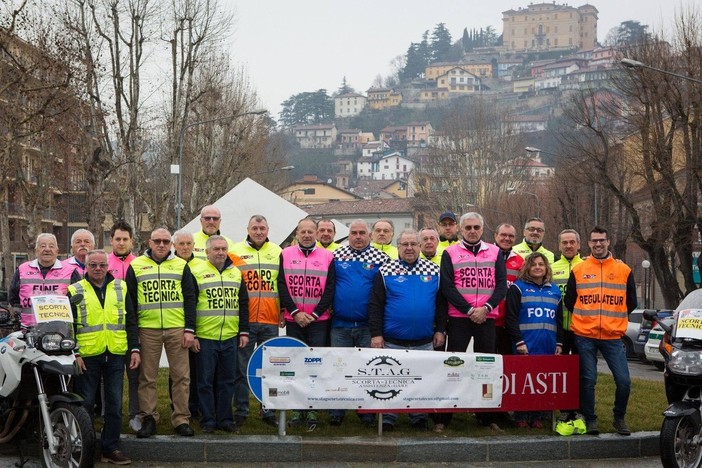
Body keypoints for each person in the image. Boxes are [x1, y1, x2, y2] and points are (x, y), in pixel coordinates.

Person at [434, 212, 507, 433]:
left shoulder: (494, 252)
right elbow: (447, 287)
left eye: (476, 227)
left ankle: (485, 417)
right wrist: (468, 310)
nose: (472, 231)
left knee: (486, 369)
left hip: (486, 318)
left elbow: (501, 286)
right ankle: (444, 418)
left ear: (482, 229)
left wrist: (485, 309)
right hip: (459, 319)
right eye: (468, 228)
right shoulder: (450, 252)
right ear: (461, 230)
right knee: (452, 368)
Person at [369, 229, 446, 431]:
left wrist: (441, 330)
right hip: (393, 340)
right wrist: (376, 334)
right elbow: (375, 305)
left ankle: (418, 416)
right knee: (389, 380)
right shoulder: (385, 271)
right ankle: (388, 417)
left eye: (413, 244)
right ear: (398, 247)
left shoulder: (435, 271)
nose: (409, 248)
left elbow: (441, 304)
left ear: (420, 246)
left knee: (420, 380)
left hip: (424, 341)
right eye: (405, 244)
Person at [68, 250, 140, 465]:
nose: (97, 268)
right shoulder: (75, 290)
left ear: (107, 266)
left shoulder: (121, 287)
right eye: (93, 265)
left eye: (101, 265)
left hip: (116, 353)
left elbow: (131, 320)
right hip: (87, 356)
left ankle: (110, 448)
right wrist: (76, 353)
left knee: (115, 404)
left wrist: (134, 349)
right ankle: (85, 447)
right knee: (86, 404)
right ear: (86, 267)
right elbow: (69, 325)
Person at [564, 226, 637, 436]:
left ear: (608, 242)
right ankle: (591, 419)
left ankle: (619, 418)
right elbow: (570, 301)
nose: (598, 244)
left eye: (601, 240)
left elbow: (631, 302)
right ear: (588, 243)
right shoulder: (578, 270)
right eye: (594, 241)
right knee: (588, 380)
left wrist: (614, 318)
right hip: (585, 335)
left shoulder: (624, 270)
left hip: (613, 337)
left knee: (624, 381)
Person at [125, 228, 197, 438]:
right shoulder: (136, 266)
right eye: (157, 241)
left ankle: (181, 419)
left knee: (181, 376)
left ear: (171, 244)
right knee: (147, 377)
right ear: (150, 242)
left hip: (177, 329)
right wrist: (135, 333)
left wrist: (189, 330)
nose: (162, 245)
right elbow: (130, 303)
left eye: (166, 241)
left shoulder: (181, 265)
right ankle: (149, 418)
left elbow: (190, 298)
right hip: (148, 329)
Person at [329, 219, 389, 427]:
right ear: (348, 235)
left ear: (370, 235)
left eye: (362, 232)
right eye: (354, 232)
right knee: (340, 368)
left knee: (367, 370)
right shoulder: (336, 256)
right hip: (340, 324)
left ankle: (367, 410)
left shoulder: (382, 258)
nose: (358, 236)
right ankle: (337, 409)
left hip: (367, 326)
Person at [278, 218, 335, 430]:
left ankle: (312, 408)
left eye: (311, 231)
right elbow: (281, 285)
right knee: (295, 365)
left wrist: (315, 314)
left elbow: (330, 289)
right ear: (298, 233)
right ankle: (296, 408)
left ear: (317, 234)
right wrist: (294, 311)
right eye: (303, 231)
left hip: (318, 321)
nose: (307, 235)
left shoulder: (328, 256)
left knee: (315, 366)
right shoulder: (285, 253)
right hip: (294, 320)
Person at [191, 236, 249, 433]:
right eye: (216, 249)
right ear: (207, 252)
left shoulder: (235, 273)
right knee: (205, 381)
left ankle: (225, 419)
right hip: (206, 336)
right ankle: (208, 420)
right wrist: (194, 334)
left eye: (224, 248)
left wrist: (243, 331)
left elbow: (243, 303)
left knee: (227, 381)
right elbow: (190, 304)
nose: (220, 252)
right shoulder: (196, 271)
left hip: (230, 337)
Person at [231, 215, 281, 427]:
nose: (259, 231)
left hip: (270, 320)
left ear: (268, 230)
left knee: (270, 369)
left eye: (262, 228)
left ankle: (268, 410)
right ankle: (241, 410)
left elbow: (283, 284)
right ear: (248, 229)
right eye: (255, 228)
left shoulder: (278, 252)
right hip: (245, 321)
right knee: (241, 368)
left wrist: (283, 311)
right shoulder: (234, 252)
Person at [505, 252, 564, 429]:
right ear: (527, 268)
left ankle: (538, 415)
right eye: (534, 264)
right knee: (524, 382)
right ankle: (521, 416)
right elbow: (511, 318)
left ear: (546, 268)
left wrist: (559, 343)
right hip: (525, 344)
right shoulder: (518, 288)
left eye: (541, 264)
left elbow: (559, 320)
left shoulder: (554, 290)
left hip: (548, 345)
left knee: (542, 382)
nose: (538, 267)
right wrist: (519, 342)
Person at [106, 221, 141, 433]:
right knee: (111, 375)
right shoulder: (102, 263)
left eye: (125, 239)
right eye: (117, 239)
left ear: (131, 241)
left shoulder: (139, 263)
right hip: (110, 328)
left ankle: (135, 414)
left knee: (136, 374)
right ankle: (109, 412)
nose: (121, 243)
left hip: (135, 325)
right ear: (111, 241)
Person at [9, 233, 81, 328]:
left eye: (51, 246)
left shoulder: (70, 271)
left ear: (57, 251)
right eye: (42, 246)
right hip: (27, 330)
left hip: (60, 330)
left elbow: (77, 301)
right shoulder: (22, 269)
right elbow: (13, 297)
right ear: (36, 251)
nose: (47, 249)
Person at [172, 229, 204, 422]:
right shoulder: (170, 265)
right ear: (174, 246)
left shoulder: (202, 264)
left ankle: (195, 406)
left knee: (197, 370)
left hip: (199, 323)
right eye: (181, 244)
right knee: (178, 371)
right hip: (175, 324)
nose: (185, 247)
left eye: (188, 244)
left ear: (193, 245)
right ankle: (176, 406)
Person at [493, 223, 524, 355]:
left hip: (508, 322)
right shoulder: (486, 255)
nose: (507, 238)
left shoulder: (520, 261)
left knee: (507, 361)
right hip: (489, 320)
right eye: (503, 235)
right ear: (495, 236)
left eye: (511, 236)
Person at [551, 229, 583, 355]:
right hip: (558, 327)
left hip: (581, 327)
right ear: (559, 246)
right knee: (559, 368)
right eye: (564, 243)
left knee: (582, 368)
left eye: (572, 242)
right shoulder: (551, 268)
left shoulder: (587, 266)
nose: (568, 246)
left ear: (578, 245)